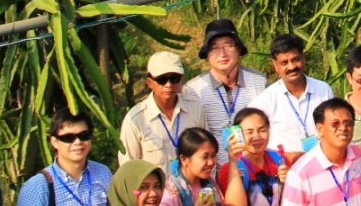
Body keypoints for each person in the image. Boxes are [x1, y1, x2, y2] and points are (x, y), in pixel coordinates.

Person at [13, 108, 114, 206]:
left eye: (84, 136)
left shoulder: (103, 173)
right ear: (54, 142)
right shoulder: (38, 185)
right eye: (68, 138)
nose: (77, 142)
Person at [185, 20, 267, 163]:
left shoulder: (259, 82)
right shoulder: (193, 90)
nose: (222, 53)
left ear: (239, 49)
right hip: (212, 172)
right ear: (207, 54)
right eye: (214, 47)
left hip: (254, 169)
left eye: (228, 45)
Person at [247, 35, 335, 162]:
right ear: (275, 65)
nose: (292, 67)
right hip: (285, 174)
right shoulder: (264, 102)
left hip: (323, 166)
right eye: (284, 63)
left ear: (303, 58)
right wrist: (287, 158)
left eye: (295, 59)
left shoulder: (323, 90)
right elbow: (252, 144)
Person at [120, 51, 208, 169]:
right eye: (162, 79)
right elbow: (128, 167)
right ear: (150, 83)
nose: (169, 85)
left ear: (181, 79)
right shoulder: (136, 119)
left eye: (174, 78)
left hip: (192, 187)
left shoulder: (195, 108)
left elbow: (207, 151)